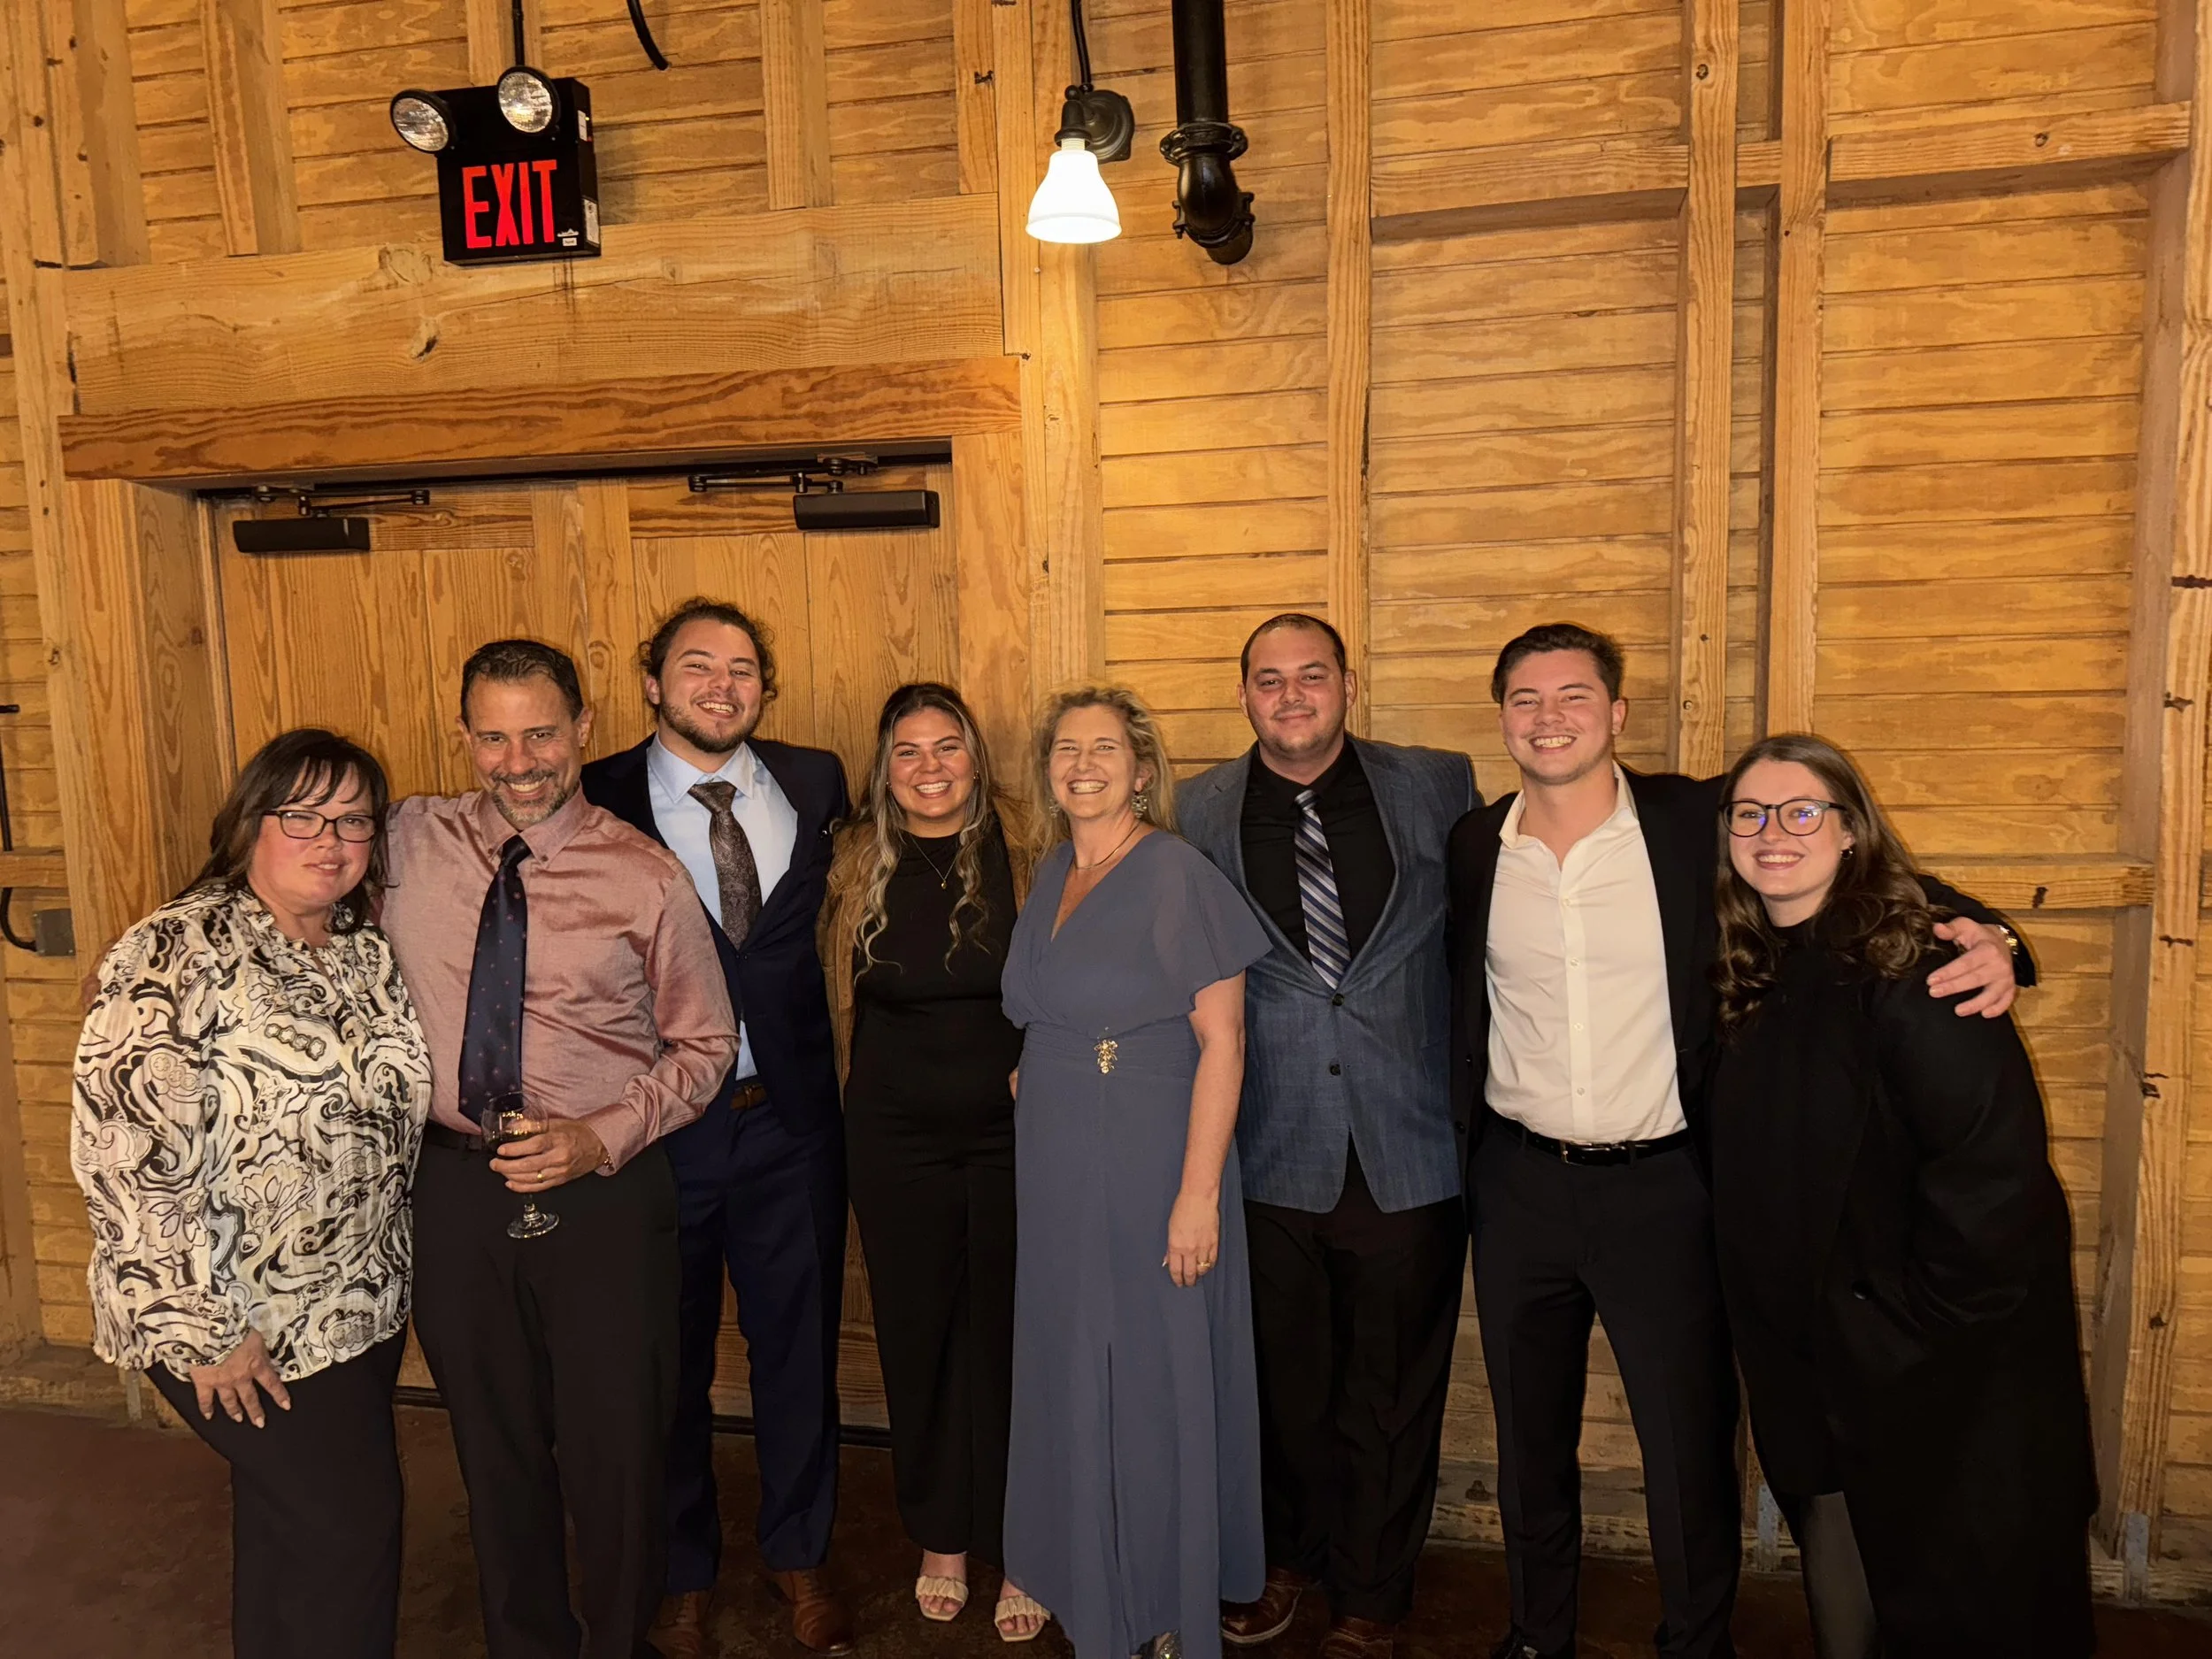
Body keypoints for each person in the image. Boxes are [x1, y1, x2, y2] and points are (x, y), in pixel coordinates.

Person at [1445, 623, 2028, 1659]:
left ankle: (1695, 1641)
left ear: (1615, 714)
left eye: (1573, 697)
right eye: (1526, 700)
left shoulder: (1691, 818)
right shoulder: (1473, 846)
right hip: (1518, 1184)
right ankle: (1537, 1635)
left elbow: (1852, 861)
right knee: (1529, 1439)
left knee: (1684, 1445)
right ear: (1501, 720)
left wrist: (2000, 939)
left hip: (1662, 1187)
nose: (1549, 718)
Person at [383, 639, 736, 1659]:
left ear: (583, 728)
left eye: (540, 733)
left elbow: (705, 1044)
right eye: (491, 737)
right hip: (452, 1188)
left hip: (606, 1196)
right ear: (463, 738)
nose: (517, 759)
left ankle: (620, 1641)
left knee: (616, 1451)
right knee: (494, 1453)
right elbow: (278, 884)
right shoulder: (406, 840)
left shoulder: (647, 876)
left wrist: (600, 1137)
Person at [1708, 733, 2094, 1659]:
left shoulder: (1923, 970)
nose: (1773, 832)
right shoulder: (1749, 960)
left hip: (1930, 1363)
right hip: (1811, 1347)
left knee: (1959, 1599)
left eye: (1802, 812)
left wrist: (1908, 1332)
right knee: (1843, 1570)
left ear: (1851, 832)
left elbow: (1991, 1186)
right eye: (1752, 815)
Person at [72, 728, 431, 1659]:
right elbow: (126, 1162)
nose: (331, 839)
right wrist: (205, 1330)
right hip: (233, 1318)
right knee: (352, 1534)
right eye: (302, 815)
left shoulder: (361, 948)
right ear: (248, 825)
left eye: (353, 819)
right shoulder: (173, 953)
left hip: (357, 1311)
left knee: (289, 1531)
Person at [1179, 614, 1478, 1659]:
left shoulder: (1440, 785)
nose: (1292, 695)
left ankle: (1374, 1591)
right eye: (1270, 679)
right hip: (1268, 1146)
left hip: (1410, 1147)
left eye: (1312, 676)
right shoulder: (1195, 807)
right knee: (1278, 1388)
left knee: (1392, 1395)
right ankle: (1284, 1563)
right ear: (1244, 693)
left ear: (1350, 682)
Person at [580, 599, 855, 1659]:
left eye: (743, 668)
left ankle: (801, 1559)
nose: (722, 685)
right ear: (652, 683)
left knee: (799, 1353)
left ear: (764, 688)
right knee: (668, 1362)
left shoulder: (817, 780)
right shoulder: (594, 790)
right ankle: (682, 1575)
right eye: (697, 666)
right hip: (659, 1131)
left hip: (788, 1124)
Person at [1001, 685, 1271, 1659]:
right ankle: (1082, 1570)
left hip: (1152, 1154)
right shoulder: (1050, 871)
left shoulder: (1175, 875)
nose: (1082, 763)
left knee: (1154, 1370)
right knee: (1071, 1356)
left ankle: (1161, 1596)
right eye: (1065, 748)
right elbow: (1050, 1007)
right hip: (1060, 1155)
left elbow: (1224, 1043)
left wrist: (1195, 1197)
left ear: (1143, 769)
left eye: (1104, 748)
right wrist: (1038, 1068)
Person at [821, 682, 1045, 1640]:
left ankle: (1023, 1541)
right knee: (918, 1338)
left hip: (1018, 1141)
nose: (928, 768)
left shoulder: (1035, 852)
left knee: (1013, 1338)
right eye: (906, 752)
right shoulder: (848, 861)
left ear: (975, 757)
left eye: (946, 747)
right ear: (884, 769)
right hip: (892, 1139)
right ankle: (942, 1537)